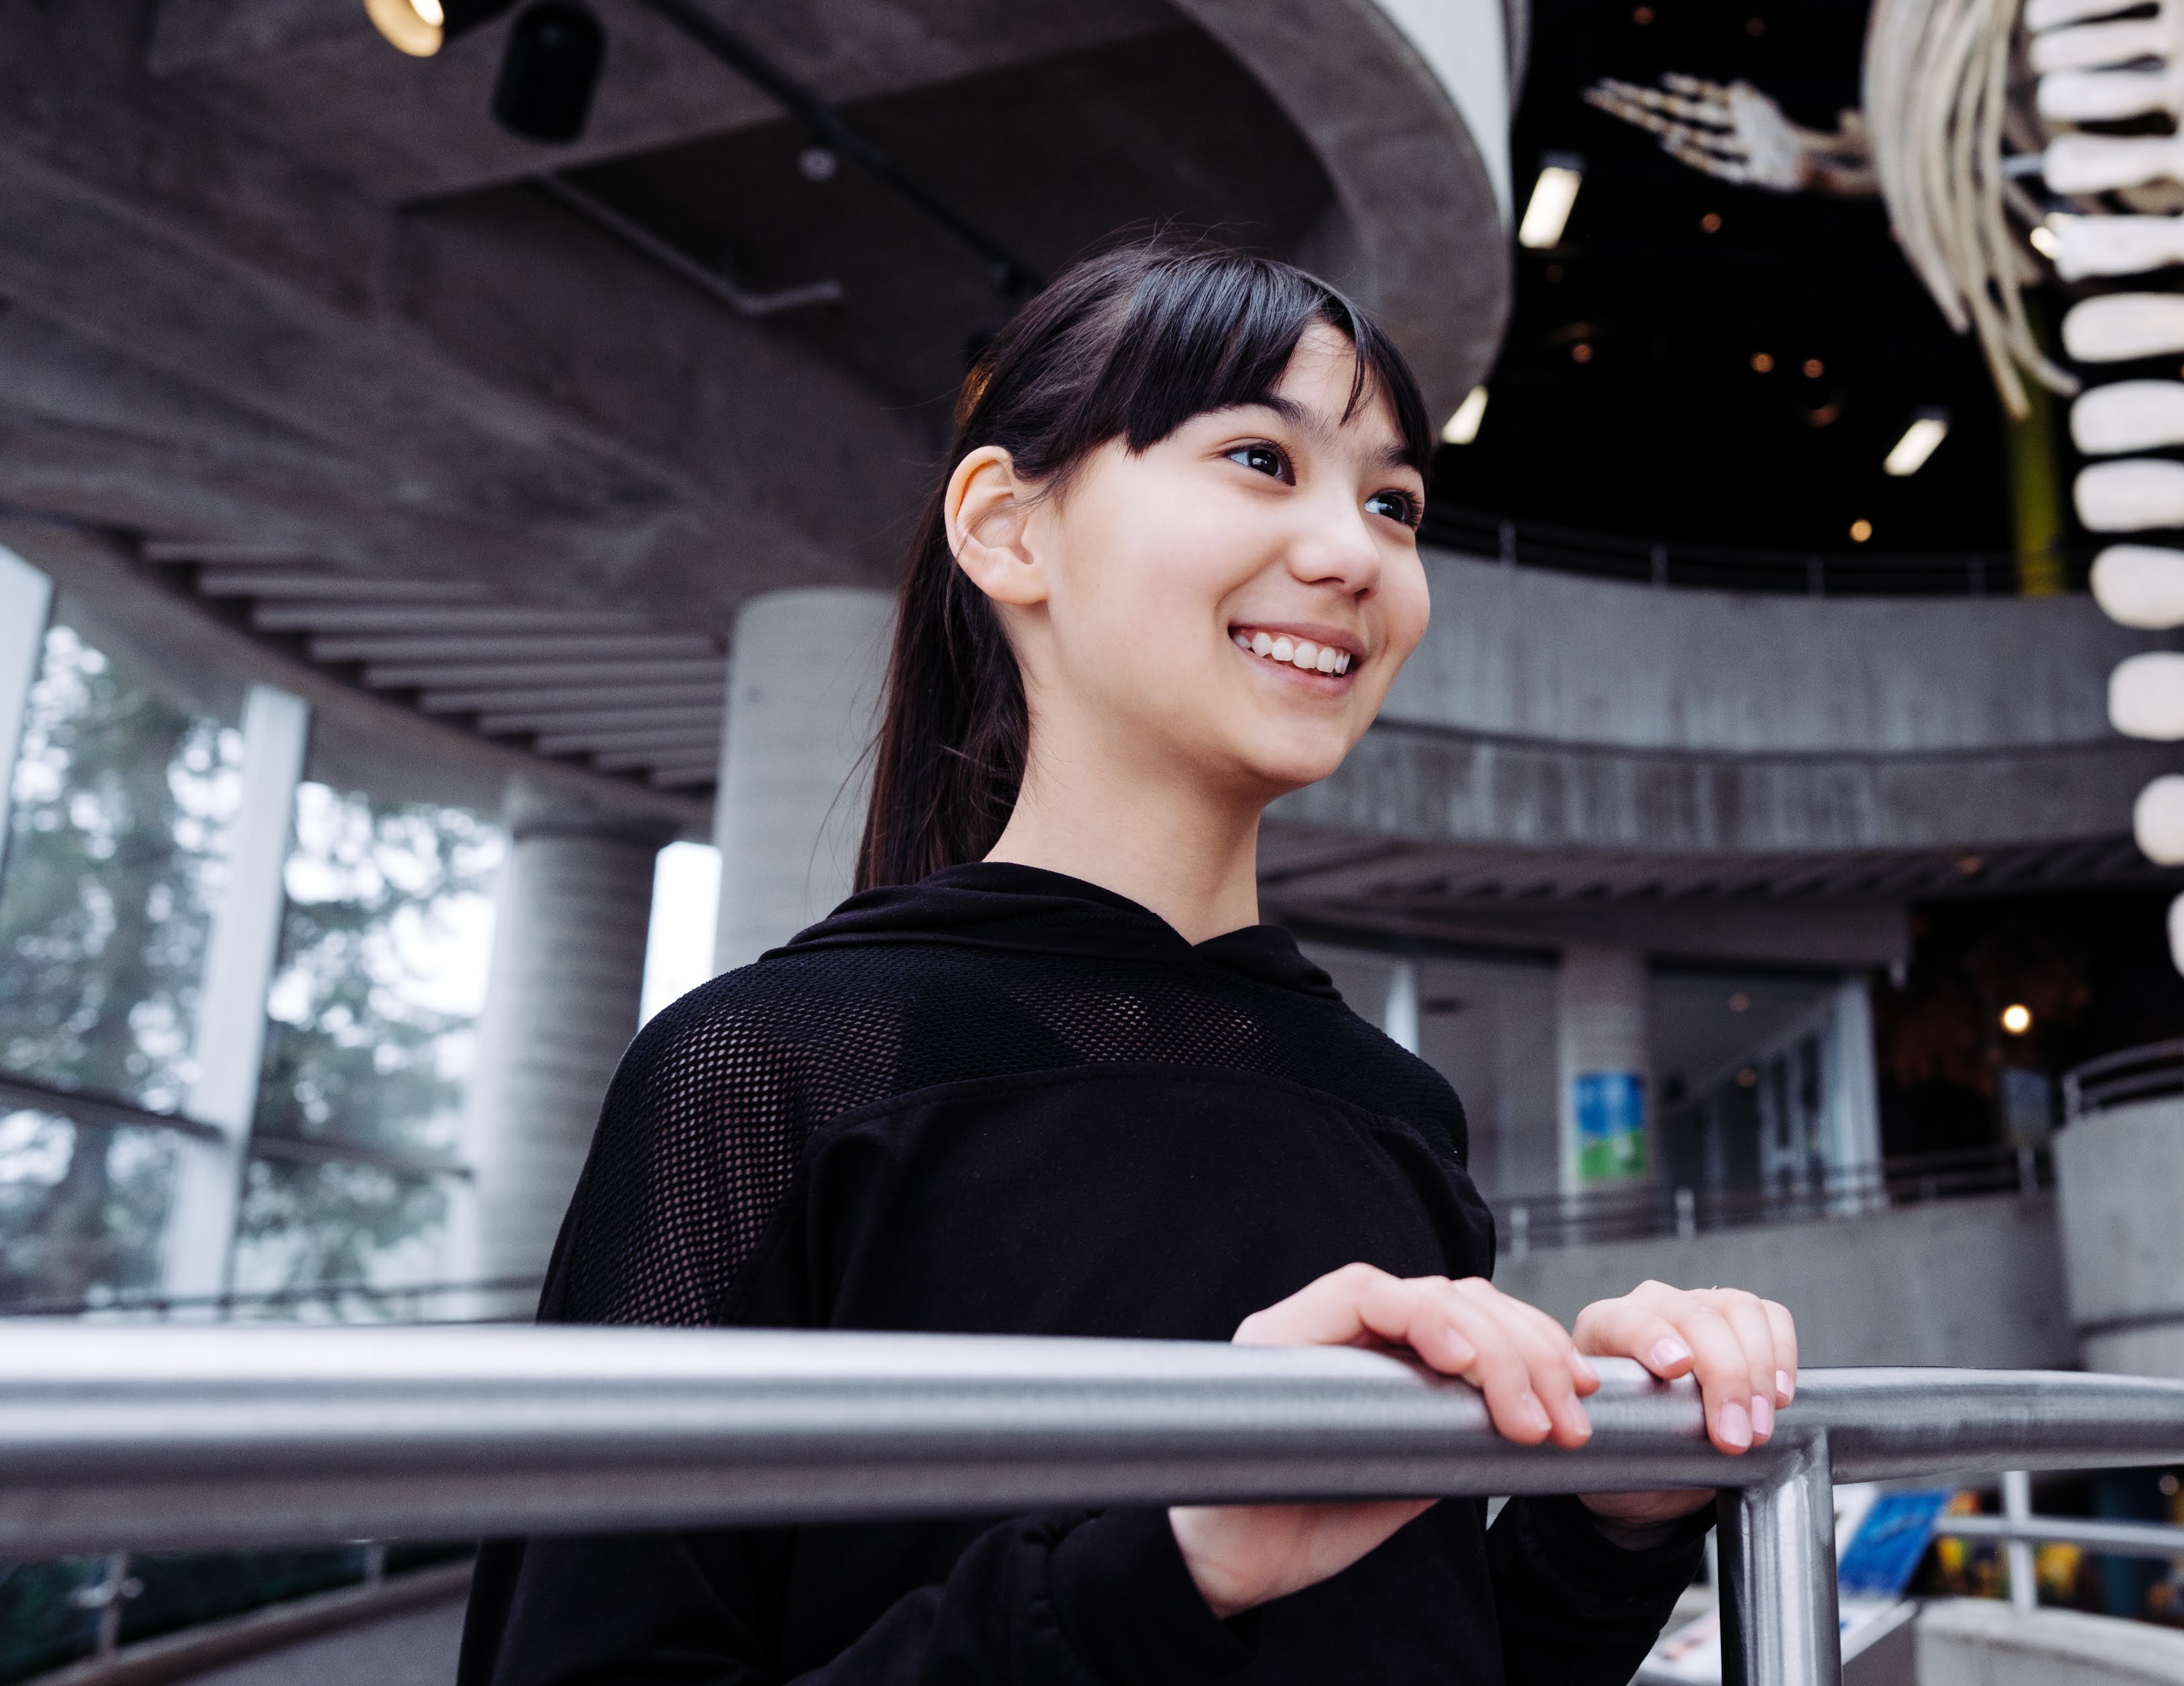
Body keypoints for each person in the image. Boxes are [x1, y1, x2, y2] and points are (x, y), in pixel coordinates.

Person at [458, 241, 1797, 1685]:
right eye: (1258, 458)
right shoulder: (770, 1064)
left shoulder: (1395, 1110)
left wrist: (1614, 1514)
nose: (1355, 553)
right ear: (1007, 527)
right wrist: (1169, 1558)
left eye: (1394, 502)